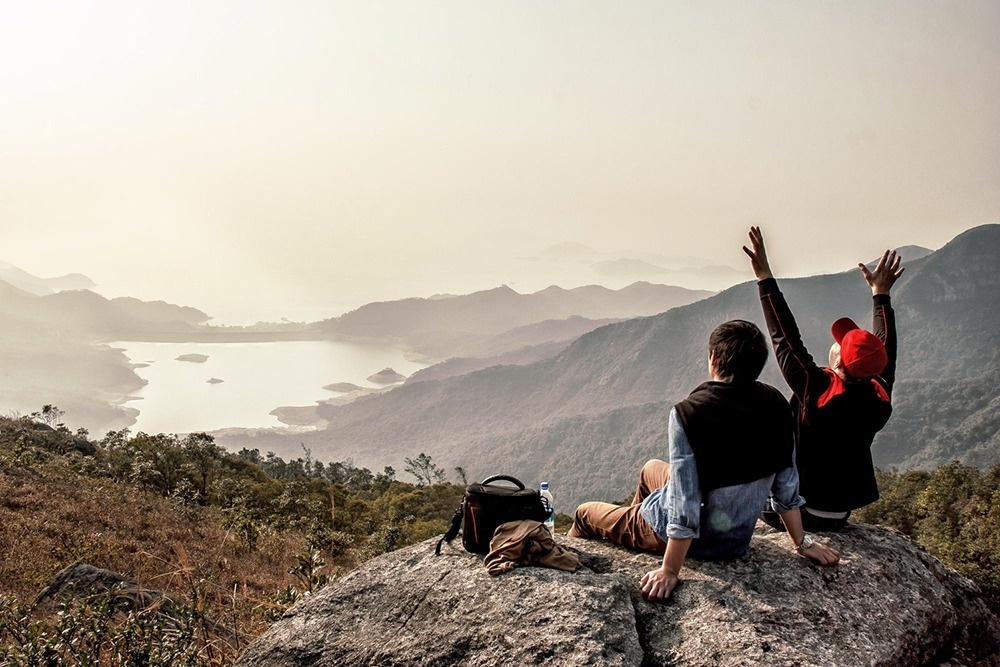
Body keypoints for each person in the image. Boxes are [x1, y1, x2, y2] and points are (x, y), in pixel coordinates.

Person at [567, 319, 839, 602]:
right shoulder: (777, 404)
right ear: (758, 363)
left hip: (700, 540)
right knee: (650, 469)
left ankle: (633, 545)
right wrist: (802, 542)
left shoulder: (689, 414)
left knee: (584, 513)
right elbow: (786, 486)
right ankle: (637, 531)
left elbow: (685, 501)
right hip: (736, 539)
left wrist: (670, 571)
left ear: (714, 358)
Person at [742, 226, 903, 531]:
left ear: (840, 359)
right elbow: (886, 351)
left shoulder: (818, 390)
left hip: (796, 512)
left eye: (840, 343)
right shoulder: (878, 393)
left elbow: (785, 338)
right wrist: (881, 295)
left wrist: (764, 278)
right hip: (839, 514)